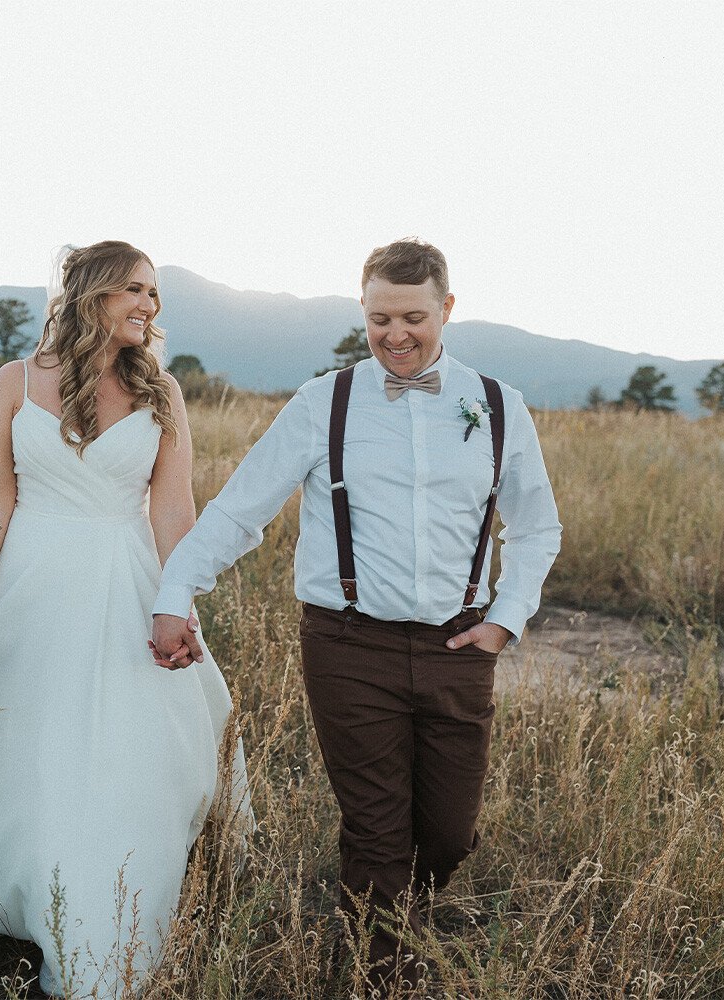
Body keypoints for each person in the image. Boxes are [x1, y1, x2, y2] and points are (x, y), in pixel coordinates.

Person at [151, 239, 561, 989]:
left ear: (447, 309)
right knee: (376, 831)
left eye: (413, 317)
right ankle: (383, 972)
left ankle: (397, 916)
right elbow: (241, 511)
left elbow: (536, 527)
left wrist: (505, 618)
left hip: (458, 645)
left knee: (448, 833)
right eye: (379, 319)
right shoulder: (323, 403)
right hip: (347, 644)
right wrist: (176, 592)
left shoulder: (498, 406)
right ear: (362, 312)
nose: (396, 335)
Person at [0, 241, 251, 998]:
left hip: (127, 584)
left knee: (121, 759)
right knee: (30, 752)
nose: (150, 305)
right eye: (136, 290)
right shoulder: (14, 382)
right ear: (92, 293)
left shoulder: (162, 392)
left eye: (156, 294)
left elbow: (174, 510)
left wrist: (181, 605)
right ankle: (29, 900)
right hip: (30, 588)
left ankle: (100, 932)